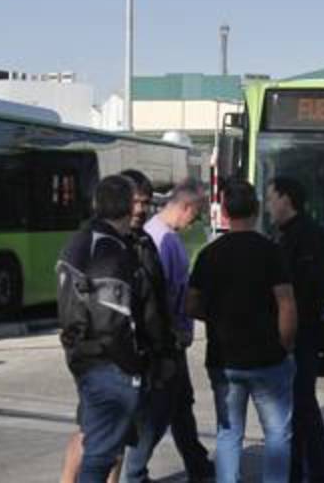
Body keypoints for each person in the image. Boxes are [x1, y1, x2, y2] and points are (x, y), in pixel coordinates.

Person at [61, 170, 168, 483]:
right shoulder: (110, 250)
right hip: (109, 362)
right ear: (124, 206)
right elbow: (111, 322)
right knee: (100, 453)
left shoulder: (81, 241)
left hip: (86, 357)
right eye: (136, 202)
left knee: (99, 444)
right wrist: (133, 365)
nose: (141, 209)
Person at [188, 179, 297, 483]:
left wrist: (214, 317)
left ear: (224, 211)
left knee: (228, 433)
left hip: (224, 359)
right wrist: (286, 346)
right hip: (268, 358)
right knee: (277, 433)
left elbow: (191, 303)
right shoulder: (271, 252)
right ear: (257, 209)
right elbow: (286, 303)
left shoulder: (210, 255)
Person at [122, 179, 214, 483]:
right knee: (159, 412)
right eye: (197, 213)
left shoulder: (153, 233)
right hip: (168, 340)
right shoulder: (165, 241)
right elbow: (166, 295)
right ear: (186, 206)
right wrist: (178, 331)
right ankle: (135, 473)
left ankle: (198, 466)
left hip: (169, 337)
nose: (195, 221)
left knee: (180, 405)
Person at [266, 176, 324, 483]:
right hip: (300, 333)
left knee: (300, 406)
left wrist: (288, 331)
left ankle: (311, 473)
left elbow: (304, 291)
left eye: (271, 198)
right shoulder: (296, 234)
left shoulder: (302, 237)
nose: (268, 205)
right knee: (300, 405)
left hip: (300, 335)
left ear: (286, 198)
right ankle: (309, 472)